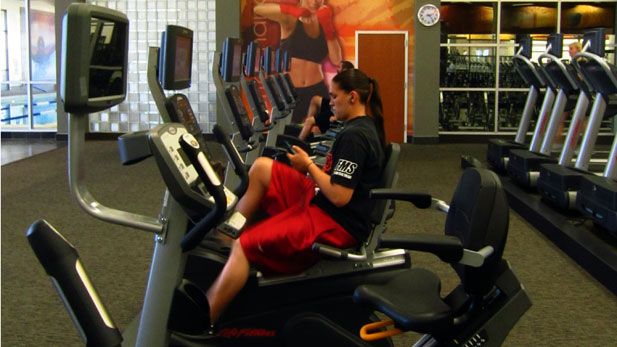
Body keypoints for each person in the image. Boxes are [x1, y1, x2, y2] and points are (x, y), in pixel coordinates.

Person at [204, 68, 386, 328]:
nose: (330, 102)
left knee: (244, 247)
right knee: (262, 168)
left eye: (334, 97)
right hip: (322, 200)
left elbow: (339, 196)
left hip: (335, 222)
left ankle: (206, 321)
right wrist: (309, 168)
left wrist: (308, 167)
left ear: (353, 97)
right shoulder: (357, 127)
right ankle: (225, 235)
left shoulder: (356, 137)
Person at [255, 0, 342, 124]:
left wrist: (328, 28)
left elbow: (336, 59)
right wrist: (293, 11)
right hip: (290, 91)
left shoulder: (322, 18)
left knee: (326, 130)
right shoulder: (290, 19)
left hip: (317, 89)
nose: (315, 1)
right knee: (286, 134)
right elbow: (258, 9)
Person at [298, 60, 354, 141]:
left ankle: (297, 146)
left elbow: (347, 104)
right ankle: (306, 126)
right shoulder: (339, 81)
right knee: (315, 99)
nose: (337, 69)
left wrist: (336, 116)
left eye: (339, 67)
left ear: (345, 70)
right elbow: (333, 100)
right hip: (334, 107)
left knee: (309, 121)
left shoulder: (347, 85)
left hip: (336, 111)